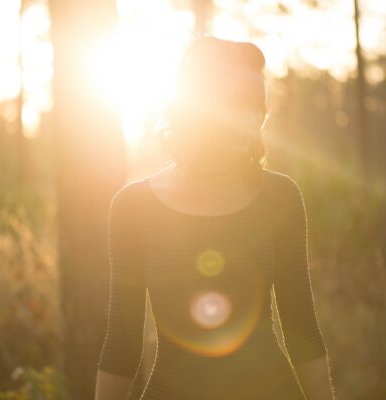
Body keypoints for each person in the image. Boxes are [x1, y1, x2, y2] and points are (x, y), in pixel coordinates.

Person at [95, 35, 336, 400]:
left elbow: (302, 329)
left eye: (258, 104)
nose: (252, 117)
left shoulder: (281, 197)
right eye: (236, 103)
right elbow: (122, 345)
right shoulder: (133, 207)